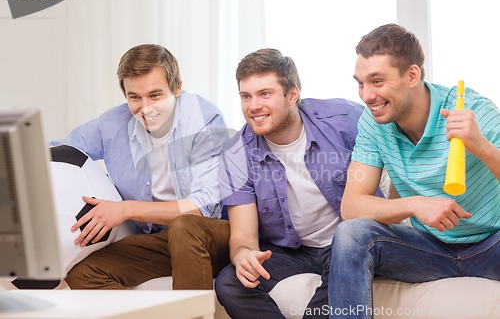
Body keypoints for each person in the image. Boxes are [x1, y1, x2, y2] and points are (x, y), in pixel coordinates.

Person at [328, 23, 500, 318]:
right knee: (351, 234)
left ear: (412, 75)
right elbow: (352, 206)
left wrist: (481, 146)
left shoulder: (474, 110)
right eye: (360, 83)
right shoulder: (373, 123)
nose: (367, 95)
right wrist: (416, 204)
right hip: (430, 250)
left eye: (377, 81)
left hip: (492, 242)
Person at [214, 48, 379, 319]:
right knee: (229, 282)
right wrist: (243, 255)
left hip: (348, 243)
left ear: (292, 94)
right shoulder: (235, 155)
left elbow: (394, 143)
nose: (253, 106)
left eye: (265, 94)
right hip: (292, 251)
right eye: (246, 96)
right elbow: (243, 235)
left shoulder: (344, 120)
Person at [50, 44, 230, 290]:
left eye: (155, 95)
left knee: (183, 226)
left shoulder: (203, 118)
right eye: (134, 97)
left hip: (212, 235)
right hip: (161, 239)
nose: (146, 109)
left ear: (177, 88)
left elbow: (203, 206)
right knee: (83, 273)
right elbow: (57, 150)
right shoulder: (112, 123)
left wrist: (126, 210)